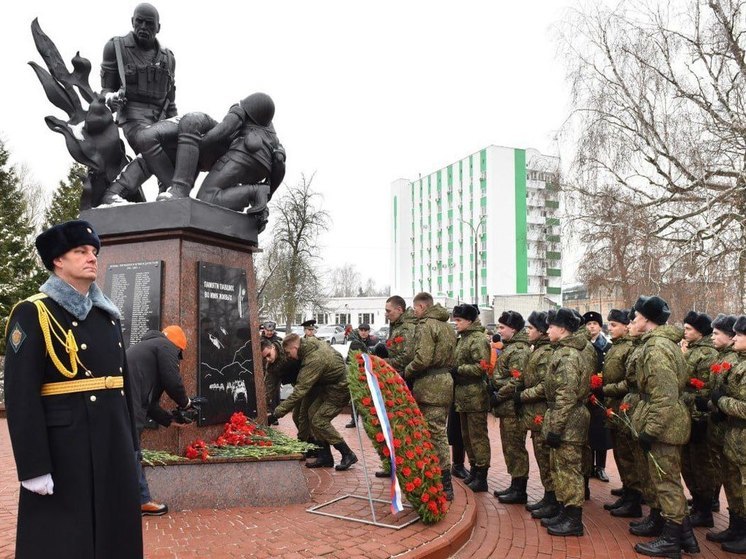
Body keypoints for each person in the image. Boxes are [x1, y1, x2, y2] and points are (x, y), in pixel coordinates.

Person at [4, 220, 143, 558]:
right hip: (65, 448)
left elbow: (122, 385)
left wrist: (131, 445)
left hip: (112, 441)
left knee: (114, 534)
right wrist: (34, 466)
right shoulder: (33, 312)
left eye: (94, 252)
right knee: (65, 539)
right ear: (58, 261)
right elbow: (20, 396)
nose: (91, 258)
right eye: (80, 251)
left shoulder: (107, 315)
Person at [629, 296, 699, 558]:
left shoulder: (656, 348)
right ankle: (686, 537)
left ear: (647, 320)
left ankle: (672, 541)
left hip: (665, 427)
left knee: (667, 483)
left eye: (636, 317)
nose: (633, 321)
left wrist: (651, 430)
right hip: (668, 423)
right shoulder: (662, 344)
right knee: (667, 481)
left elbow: (664, 396)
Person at [100, 3, 178, 201]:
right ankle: (171, 190)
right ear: (132, 22)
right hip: (133, 117)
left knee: (181, 145)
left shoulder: (168, 58)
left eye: (149, 24)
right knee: (149, 141)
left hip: (162, 119)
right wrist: (111, 99)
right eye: (139, 22)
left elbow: (171, 101)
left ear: (158, 27)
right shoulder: (115, 48)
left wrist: (178, 125)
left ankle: (165, 196)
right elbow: (105, 91)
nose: (143, 27)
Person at [126, 324, 193, 516]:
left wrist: (170, 420)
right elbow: (173, 380)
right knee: (132, 450)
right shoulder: (165, 346)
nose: (177, 360)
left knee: (126, 448)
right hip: (129, 401)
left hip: (126, 400)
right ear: (178, 347)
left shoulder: (148, 352)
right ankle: (142, 501)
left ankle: (133, 499)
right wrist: (186, 402)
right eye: (179, 356)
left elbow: (150, 404)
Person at [269, 334, 358, 470]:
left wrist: (276, 414)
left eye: (288, 353)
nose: (288, 357)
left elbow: (299, 391)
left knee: (319, 420)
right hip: (327, 387)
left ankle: (347, 453)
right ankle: (325, 456)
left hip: (341, 389)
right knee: (311, 413)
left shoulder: (314, 360)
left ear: (295, 347)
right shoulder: (309, 343)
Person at [539, 308, 591, 537]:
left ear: (562, 329)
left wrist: (556, 428)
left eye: (551, 326)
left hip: (569, 421)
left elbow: (566, 395)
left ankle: (573, 520)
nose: (547, 330)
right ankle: (564, 510)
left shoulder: (568, 356)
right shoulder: (563, 351)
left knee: (568, 470)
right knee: (559, 468)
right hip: (564, 418)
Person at [404, 292, 457, 500]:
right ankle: (439, 477)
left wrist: (405, 372)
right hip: (444, 383)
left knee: (435, 433)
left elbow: (422, 359)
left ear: (422, 307)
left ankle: (444, 482)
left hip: (430, 386)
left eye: (415, 308)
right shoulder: (446, 326)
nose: (414, 311)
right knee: (437, 431)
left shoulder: (427, 325)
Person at [598, 309, 640, 518]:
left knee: (627, 454)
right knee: (620, 452)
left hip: (624, 407)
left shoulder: (629, 349)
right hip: (613, 407)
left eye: (614, 325)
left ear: (626, 326)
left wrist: (605, 389)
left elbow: (630, 382)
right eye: (610, 324)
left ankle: (634, 498)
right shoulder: (616, 347)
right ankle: (628, 489)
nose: (610, 328)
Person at [709, 315, 746, 554]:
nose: (735, 339)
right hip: (734, 438)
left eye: (740, 336)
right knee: (733, 487)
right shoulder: (740, 363)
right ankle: (736, 527)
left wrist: (721, 401)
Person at [680, 310, 719, 527]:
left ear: (701, 332)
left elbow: (704, 389)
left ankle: (705, 509)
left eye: (688, 329)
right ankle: (697, 502)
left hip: (699, 417)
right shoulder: (692, 351)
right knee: (688, 463)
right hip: (688, 414)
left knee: (700, 464)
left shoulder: (707, 354)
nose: (684, 332)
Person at [518, 311, 557, 519]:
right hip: (535, 413)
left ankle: (552, 499)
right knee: (541, 457)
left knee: (545, 457)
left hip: (541, 412)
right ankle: (548, 496)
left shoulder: (546, 352)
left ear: (540, 331)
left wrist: (522, 395)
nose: (527, 331)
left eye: (531, 328)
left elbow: (543, 386)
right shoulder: (538, 350)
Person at [374, 295, 417, 478]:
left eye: (388, 310)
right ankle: (393, 464)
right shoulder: (396, 326)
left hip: (403, 382)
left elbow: (405, 358)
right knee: (392, 426)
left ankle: (405, 466)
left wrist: (381, 363)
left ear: (399, 310)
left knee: (401, 426)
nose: (386, 314)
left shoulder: (406, 328)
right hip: (394, 381)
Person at [451, 304, 492, 492]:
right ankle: (475, 469)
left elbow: (481, 367)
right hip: (463, 396)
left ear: (469, 321)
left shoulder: (477, 339)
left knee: (478, 437)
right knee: (467, 436)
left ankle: (482, 475)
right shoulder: (463, 338)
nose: (455, 323)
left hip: (475, 395)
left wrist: (458, 370)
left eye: (459, 320)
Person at [492, 310, 531, 503]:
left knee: (515, 446)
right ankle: (515, 484)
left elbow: (518, 379)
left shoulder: (519, 350)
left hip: (512, 406)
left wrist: (499, 394)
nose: (499, 331)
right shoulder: (511, 347)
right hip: (506, 406)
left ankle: (520, 488)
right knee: (509, 446)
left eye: (502, 327)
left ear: (513, 329)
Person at [583, 310, 612, 482]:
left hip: (601, 394)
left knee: (601, 432)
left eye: (594, 324)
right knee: (588, 432)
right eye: (588, 324)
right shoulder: (584, 346)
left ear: (600, 327)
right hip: (586, 394)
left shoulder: (607, 346)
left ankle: (600, 467)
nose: (592, 326)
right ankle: (588, 467)